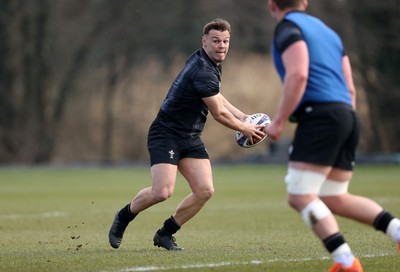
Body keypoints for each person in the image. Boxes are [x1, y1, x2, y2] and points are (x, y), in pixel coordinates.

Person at [264, 0, 400, 271]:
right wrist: (344, 120)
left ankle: (346, 262)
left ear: (271, 5)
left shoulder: (287, 29)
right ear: (304, 2)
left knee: (300, 195)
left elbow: (299, 73)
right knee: (334, 196)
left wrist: (278, 122)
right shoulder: (329, 32)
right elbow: (349, 87)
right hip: (346, 115)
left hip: (321, 117)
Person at [108, 18, 265, 251]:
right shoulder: (202, 71)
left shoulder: (209, 63)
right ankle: (124, 216)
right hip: (166, 133)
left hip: (189, 137)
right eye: (215, 41)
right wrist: (246, 128)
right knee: (162, 192)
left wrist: (243, 116)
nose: (221, 46)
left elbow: (217, 97)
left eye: (225, 41)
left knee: (205, 191)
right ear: (204, 41)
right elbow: (219, 113)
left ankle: (165, 234)